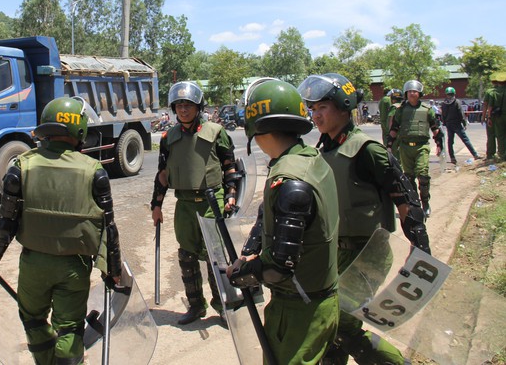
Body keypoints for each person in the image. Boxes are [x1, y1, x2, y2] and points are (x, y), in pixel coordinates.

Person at [0, 96, 122, 365]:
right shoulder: (95, 171)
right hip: (74, 266)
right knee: (70, 327)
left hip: (34, 264)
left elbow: (6, 224)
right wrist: (113, 271)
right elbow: (108, 229)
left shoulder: (20, 166)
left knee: (33, 319)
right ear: (79, 129)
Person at [298, 73, 431, 365]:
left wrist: (419, 247)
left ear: (344, 108)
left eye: (322, 108)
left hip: (366, 253)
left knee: (342, 322)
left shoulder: (366, 150)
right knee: (327, 322)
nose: (315, 115)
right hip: (336, 252)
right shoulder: (323, 150)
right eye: (313, 108)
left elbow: (404, 197)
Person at [226, 79, 340, 365]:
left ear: (257, 128)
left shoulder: (289, 181)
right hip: (320, 297)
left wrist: (241, 275)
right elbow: (272, 216)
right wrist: (252, 249)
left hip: (298, 309)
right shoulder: (307, 158)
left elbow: (280, 268)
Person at [150, 81, 238, 325]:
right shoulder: (169, 137)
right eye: (179, 105)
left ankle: (224, 306)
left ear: (198, 107)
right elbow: (162, 175)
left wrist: (231, 194)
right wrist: (156, 205)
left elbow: (230, 166)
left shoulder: (216, 132)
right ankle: (196, 305)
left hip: (212, 200)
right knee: (187, 256)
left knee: (216, 257)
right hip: (185, 204)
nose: (183, 110)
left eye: (188, 105)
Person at [388, 80, 443, 216]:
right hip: (405, 147)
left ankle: (425, 203)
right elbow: (394, 129)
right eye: (409, 91)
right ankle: (414, 203)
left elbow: (435, 128)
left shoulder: (427, 110)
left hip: (421, 147)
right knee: (408, 178)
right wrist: (389, 146)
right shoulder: (400, 110)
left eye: (414, 91)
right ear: (406, 93)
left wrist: (439, 145)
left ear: (419, 94)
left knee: (423, 176)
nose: (412, 94)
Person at [441, 86, 481, 164]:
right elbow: (460, 113)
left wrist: (445, 123)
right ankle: (475, 154)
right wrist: (464, 123)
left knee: (450, 141)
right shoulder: (456, 102)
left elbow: (443, 115)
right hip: (457, 124)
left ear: (447, 94)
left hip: (449, 124)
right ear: (453, 93)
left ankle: (452, 158)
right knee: (465, 140)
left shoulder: (443, 103)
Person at [483, 71, 506, 161]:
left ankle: (501, 154)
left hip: (497, 117)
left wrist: (486, 117)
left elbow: (489, 106)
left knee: (499, 136)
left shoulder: (492, 92)